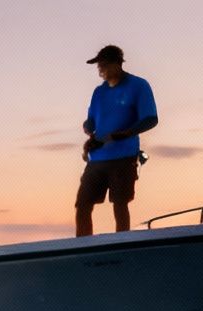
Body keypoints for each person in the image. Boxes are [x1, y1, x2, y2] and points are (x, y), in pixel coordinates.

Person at [76, 44, 158, 236]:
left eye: (104, 66)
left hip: (124, 156)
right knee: (83, 204)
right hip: (97, 157)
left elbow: (151, 118)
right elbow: (91, 120)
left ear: (117, 64)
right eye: (99, 67)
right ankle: (82, 243)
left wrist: (127, 133)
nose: (100, 71)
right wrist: (88, 128)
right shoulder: (99, 92)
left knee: (119, 203)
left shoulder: (139, 86)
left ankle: (121, 241)